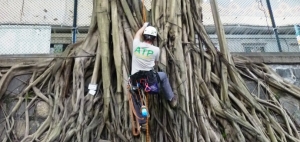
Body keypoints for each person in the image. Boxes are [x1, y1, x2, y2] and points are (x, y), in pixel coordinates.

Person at [131, 22, 177, 108]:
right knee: (163, 75)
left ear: (144, 36)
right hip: (148, 82)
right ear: (154, 39)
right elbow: (155, 63)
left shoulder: (136, 45)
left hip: (135, 81)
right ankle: (171, 98)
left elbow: (137, 34)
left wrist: (144, 26)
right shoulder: (156, 50)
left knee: (136, 78)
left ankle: (136, 89)